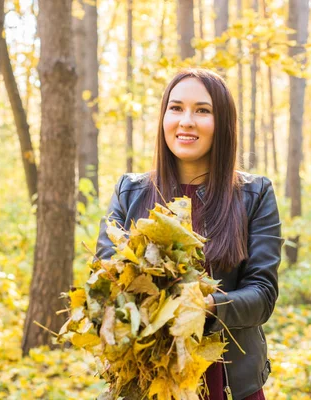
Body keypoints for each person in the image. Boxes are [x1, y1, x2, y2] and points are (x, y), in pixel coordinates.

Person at [95, 68, 282, 400]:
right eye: (176, 108)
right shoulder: (131, 192)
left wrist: (207, 307)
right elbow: (105, 284)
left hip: (228, 383)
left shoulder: (254, 194)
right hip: (148, 382)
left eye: (203, 110)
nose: (186, 121)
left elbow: (263, 295)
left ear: (222, 123)